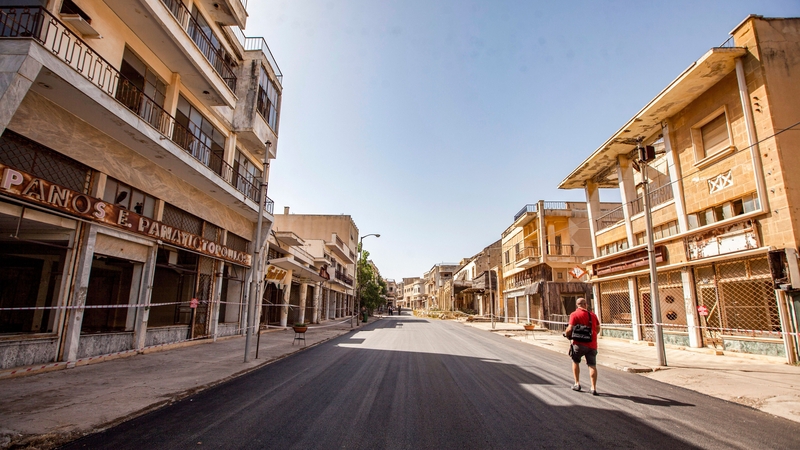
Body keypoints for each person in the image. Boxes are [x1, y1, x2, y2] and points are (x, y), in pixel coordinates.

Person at [564, 297, 600, 395]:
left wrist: (567, 335)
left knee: (575, 361)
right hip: (592, 344)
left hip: (579, 344)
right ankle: (593, 387)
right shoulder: (593, 315)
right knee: (592, 365)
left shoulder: (574, 314)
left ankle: (577, 383)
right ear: (585, 304)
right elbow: (597, 328)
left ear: (577, 305)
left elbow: (569, 329)